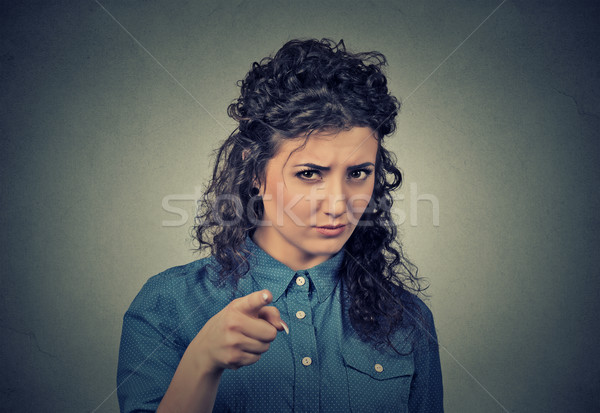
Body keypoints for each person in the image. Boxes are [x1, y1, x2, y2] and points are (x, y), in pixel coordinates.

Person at [117, 38, 443, 412]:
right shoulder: (167, 305)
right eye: (308, 173)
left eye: (358, 173)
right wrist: (200, 364)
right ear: (255, 169)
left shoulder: (407, 318)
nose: (339, 203)